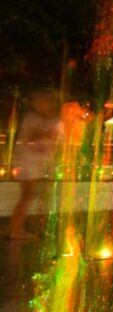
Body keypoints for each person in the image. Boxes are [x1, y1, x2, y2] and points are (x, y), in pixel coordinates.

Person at [9, 89, 62, 241]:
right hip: (27, 163)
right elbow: (29, 137)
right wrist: (48, 133)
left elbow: (57, 140)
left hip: (38, 164)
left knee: (30, 196)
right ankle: (16, 231)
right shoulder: (32, 118)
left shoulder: (53, 120)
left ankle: (15, 228)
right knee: (27, 196)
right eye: (40, 102)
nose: (44, 105)